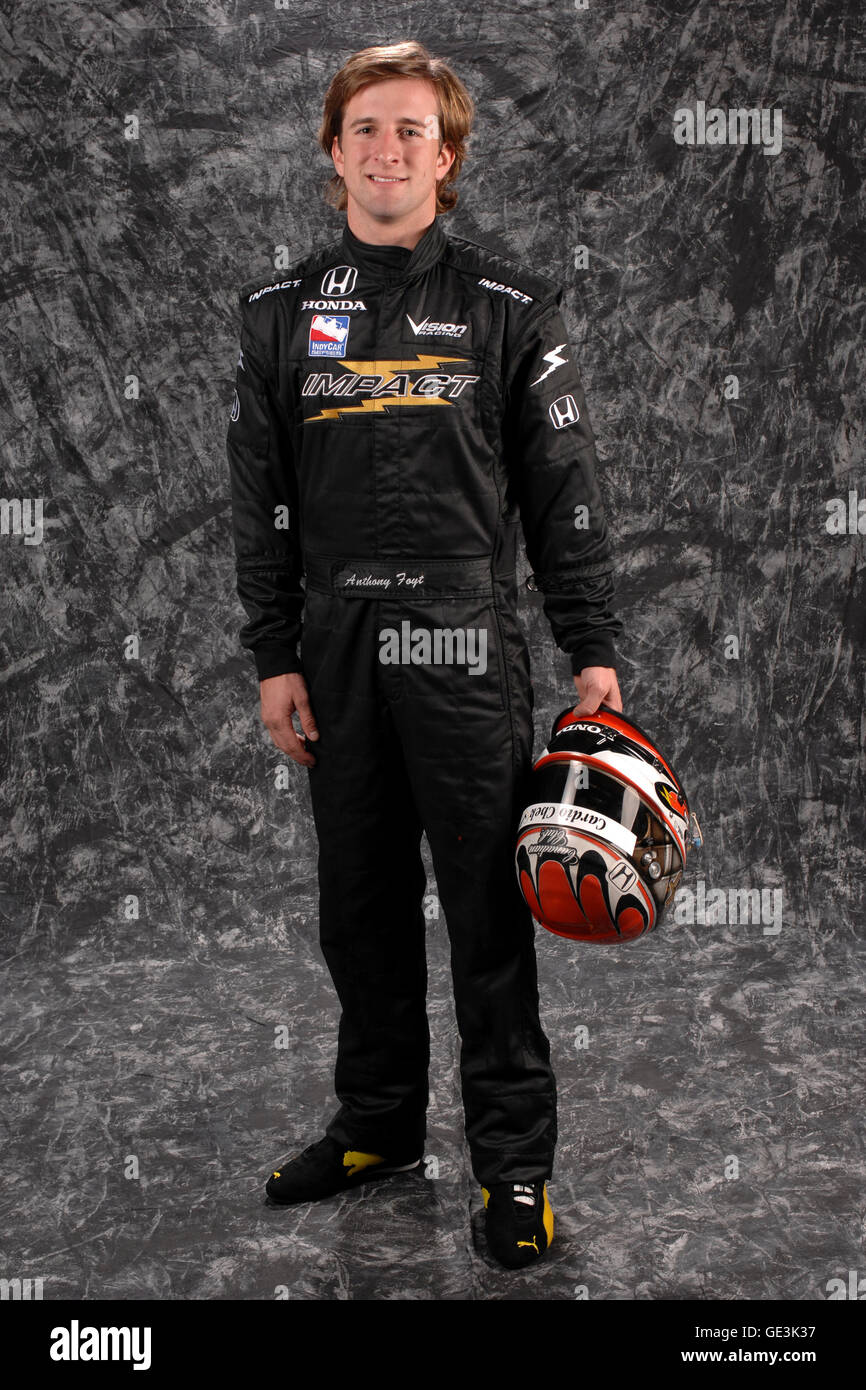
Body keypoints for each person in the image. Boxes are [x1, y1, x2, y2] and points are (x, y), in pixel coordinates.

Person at [226, 39, 623, 1270]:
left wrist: (590, 644)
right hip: (335, 643)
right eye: (364, 130)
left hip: (464, 639)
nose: (386, 150)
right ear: (330, 151)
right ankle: (378, 1125)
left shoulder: (509, 307)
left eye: (411, 132)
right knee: (358, 904)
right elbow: (262, 500)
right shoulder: (277, 315)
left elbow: (562, 487)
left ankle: (513, 1169)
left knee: (487, 914)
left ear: (444, 159)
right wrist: (274, 653)